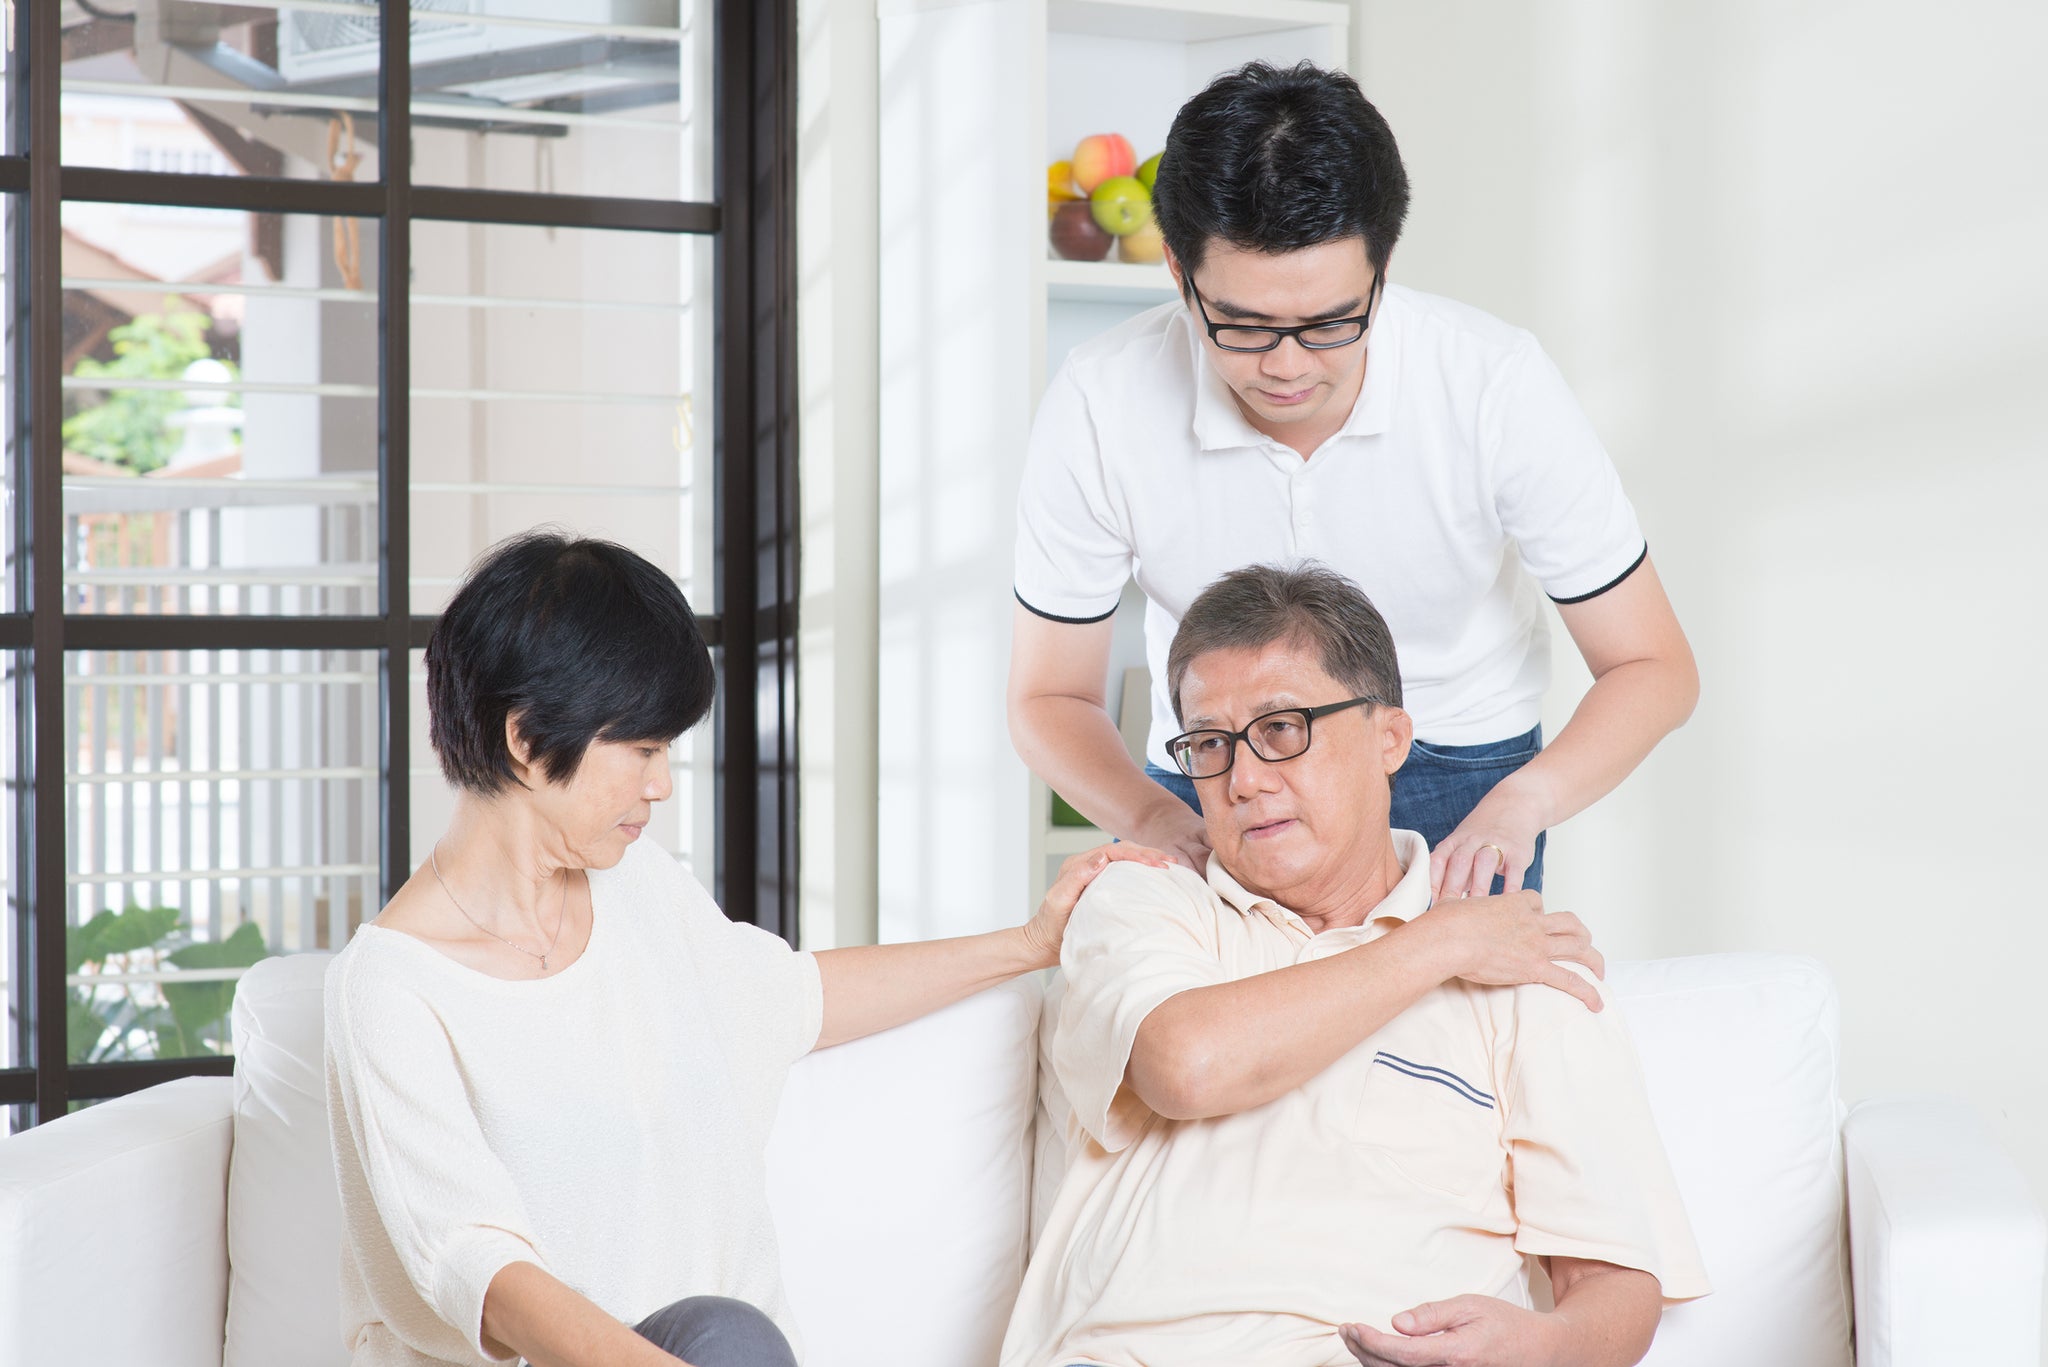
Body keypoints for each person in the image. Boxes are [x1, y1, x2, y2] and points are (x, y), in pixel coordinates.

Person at [324, 531, 1168, 1367]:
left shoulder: (637, 889)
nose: (660, 783)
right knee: (727, 1339)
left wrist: (1031, 941)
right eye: (644, 748)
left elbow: (793, 996)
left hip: (726, 1348)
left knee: (730, 1334)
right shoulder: (392, 988)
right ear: (524, 737)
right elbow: (482, 1270)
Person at [1008, 60, 1699, 900]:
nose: (1289, 366)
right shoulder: (1100, 401)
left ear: (1383, 262)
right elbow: (1048, 694)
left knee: (1449, 1032)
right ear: (1180, 277)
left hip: (1459, 771)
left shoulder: (1493, 383)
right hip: (1213, 776)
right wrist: (1157, 820)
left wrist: (1521, 805)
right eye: (1244, 326)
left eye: (1332, 321)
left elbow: (1653, 664)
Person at [1002, 563, 1709, 1367]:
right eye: (1209, 743)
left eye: (1282, 728)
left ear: (1390, 740)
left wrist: (1544, 1347)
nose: (1242, 779)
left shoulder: (1525, 972)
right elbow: (1185, 1062)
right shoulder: (1145, 900)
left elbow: (1615, 1284)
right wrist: (1440, 942)